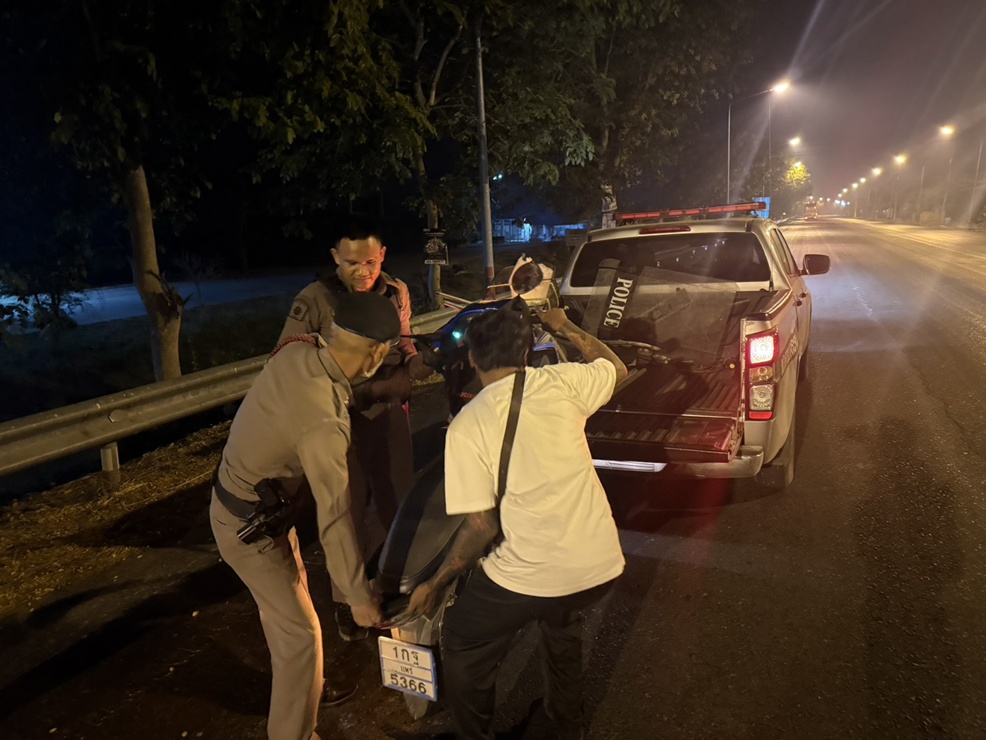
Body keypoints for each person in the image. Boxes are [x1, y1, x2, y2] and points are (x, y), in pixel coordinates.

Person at [406, 303, 629, 740]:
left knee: (465, 638)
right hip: (599, 564)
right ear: (527, 353)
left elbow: (481, 526)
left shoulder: (469, 424)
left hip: (532, 574)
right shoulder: (563, 382)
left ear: (472, 358)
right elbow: (615, 367)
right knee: (560, 621)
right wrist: (565, 326)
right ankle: (567, 724)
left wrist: (434, 584)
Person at [211, 291, 400, 740]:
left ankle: (301, 704)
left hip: (248, 507)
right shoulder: (323, 425)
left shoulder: (298, 350)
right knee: (301, 637)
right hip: (251, 531)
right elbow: (335, 517)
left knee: (288, 622)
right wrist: (357, 596)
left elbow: (319, 396)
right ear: (375, 354)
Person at [278, 215, 432, 641]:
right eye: (351, 263)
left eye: (370, 262)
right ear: (335, 258)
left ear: (382, 254)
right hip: (336, 418)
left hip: (388, 410)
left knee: (393, 500)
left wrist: (419, 361)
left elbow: (404, 340)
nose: (363, 272)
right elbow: (287, 360)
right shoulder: (315, 299)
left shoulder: (396, 291)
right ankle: (348, 600)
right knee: (344, 510)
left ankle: (384, 585)